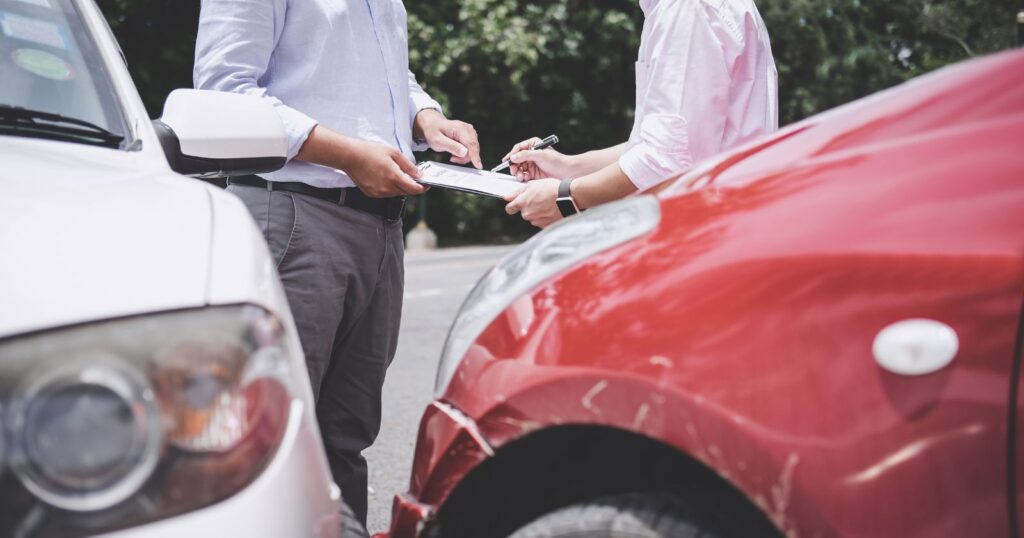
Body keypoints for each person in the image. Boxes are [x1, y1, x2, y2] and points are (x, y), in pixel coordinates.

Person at [193, 0, 481, 525]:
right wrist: (347, 155)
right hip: (295, 217)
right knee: (273, 439)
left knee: (344, 439)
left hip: (379, 227)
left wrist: (428, 117)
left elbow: (386, 77)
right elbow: (223, 91)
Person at [504, 0, 778, 228]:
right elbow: (663, 146)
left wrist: (567, 196)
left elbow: (665, 159)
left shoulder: (684, 8)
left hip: (709, 234)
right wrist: (567, 166)